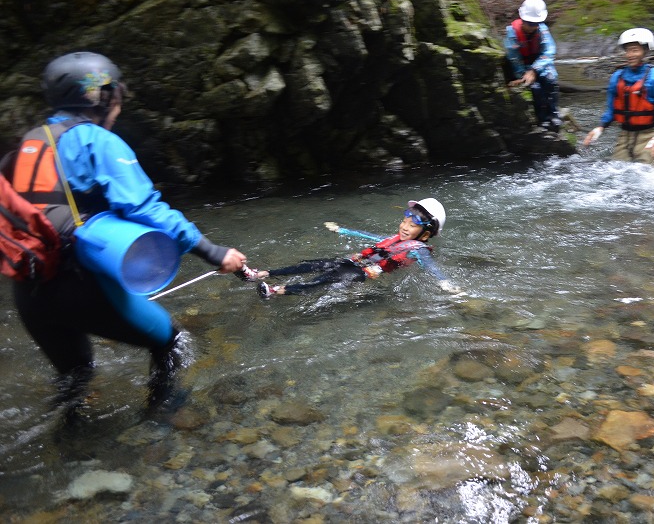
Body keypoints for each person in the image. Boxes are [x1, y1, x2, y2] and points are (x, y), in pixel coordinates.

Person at [3, 51, 246, 413]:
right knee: (173, 343)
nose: (118, 104)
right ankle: (160, 427)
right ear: (98, 96)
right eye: (115, 94)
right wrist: (214, 252)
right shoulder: (96, 141)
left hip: (29, 289)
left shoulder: (27, 145)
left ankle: (70, 443)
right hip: (80, 282)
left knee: (76, 378)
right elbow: (145, 208)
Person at [237, 198, 462, 297]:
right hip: (356, 261)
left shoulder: (418, 249)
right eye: (404, 222)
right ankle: (261, 273)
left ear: (424, 234)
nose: (404, 227)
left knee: (326, 280)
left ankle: (276, 291)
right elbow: (371, 236)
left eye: (411, 226)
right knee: (315, 264)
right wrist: (343, 230)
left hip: (365, 273)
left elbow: (431, 267)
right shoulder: (395, 239)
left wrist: (445, 283)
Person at [582, 28, 654, 166]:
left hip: (649, 136)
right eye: (627, 50)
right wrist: (600, 127)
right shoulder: (617, 77)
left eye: (635, 50)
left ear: (645, 51)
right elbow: (611, 109)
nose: (629, 54)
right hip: (624, 137)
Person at [504, 0, 562, 132]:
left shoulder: (542, 30)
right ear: (523, 19)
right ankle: (542, 119)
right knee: (535, 87)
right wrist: (521, 76)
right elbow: (514, 58)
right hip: (523, 67)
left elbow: (549, 51)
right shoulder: (512, 33)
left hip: (539, 65)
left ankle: (553, 114)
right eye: (530, 23)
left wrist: (534, 70)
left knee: (550, 80)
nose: (533, 27)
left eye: (536, 23)